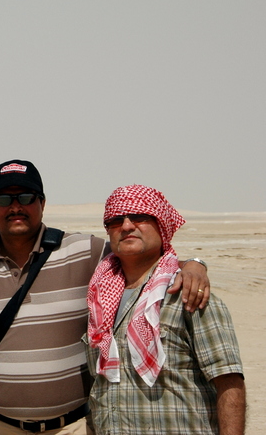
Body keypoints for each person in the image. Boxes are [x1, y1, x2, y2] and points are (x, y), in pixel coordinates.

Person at [0, 160, 210, 435]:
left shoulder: (85, 252)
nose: (16, 207)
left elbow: (142, 257)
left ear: (42, 203)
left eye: (25, 197)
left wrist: (192, 264)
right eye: (4, 199)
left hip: (74, 427)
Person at [85, 184, 245, 434]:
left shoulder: (190, 293)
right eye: (116, 220)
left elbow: (229, 382)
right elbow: (98, 390)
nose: (126, 226)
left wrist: (195, 264)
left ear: (162, 224)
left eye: (139, 216)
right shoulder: (98, 300)